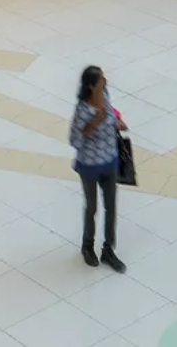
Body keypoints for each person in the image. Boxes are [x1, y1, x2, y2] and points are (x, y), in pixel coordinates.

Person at [68, 66, 126, 272]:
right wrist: (95, 122)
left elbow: (111, 115)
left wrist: (116, 122)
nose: (105, 80)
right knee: (92, 207)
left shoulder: (106, 94)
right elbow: (74, 139)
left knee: (111, 207)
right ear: (92, 85)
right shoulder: (82, 109)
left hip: (110, 161)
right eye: (101, 79)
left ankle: (109, 249)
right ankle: (87, 247)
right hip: (90, 166)